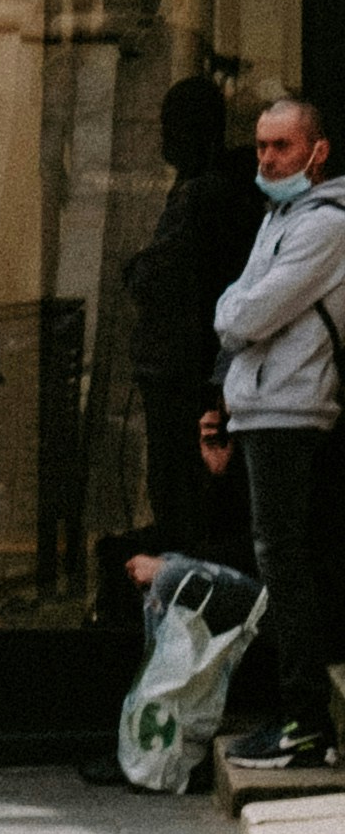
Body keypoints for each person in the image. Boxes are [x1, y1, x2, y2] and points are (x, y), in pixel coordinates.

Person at [203, 92, 345, 769]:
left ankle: (307, 722)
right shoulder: (281, 216)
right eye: (260, 146)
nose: (265, 158)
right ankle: (301, 715)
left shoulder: (325, 224)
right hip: (265, 407)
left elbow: (241, 315)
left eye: (280, 146)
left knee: (285, 564)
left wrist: (235, 310)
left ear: (316, 152)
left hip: (291, 410)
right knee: (281, 561)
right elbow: (239, 306)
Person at [128, 72, 262, 576]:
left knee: (181, 492)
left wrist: (137, 269)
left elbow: (156, 275)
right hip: (194, 365)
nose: (162, 137)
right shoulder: (209, 190)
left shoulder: (202, 196)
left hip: (182, 369)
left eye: (170, 125)